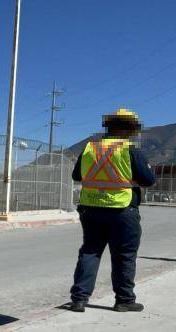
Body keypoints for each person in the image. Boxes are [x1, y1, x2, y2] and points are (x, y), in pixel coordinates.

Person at [68, 108, 156, 313]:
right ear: (129, 129)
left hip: (91, 208)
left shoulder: (90, 148)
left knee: (90, 251)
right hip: (122, 209)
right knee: (124, 255)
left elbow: (77, 176)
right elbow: (148, 180)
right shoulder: (129, 150)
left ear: (108, 126)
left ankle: (79, 299)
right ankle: (124, 300)